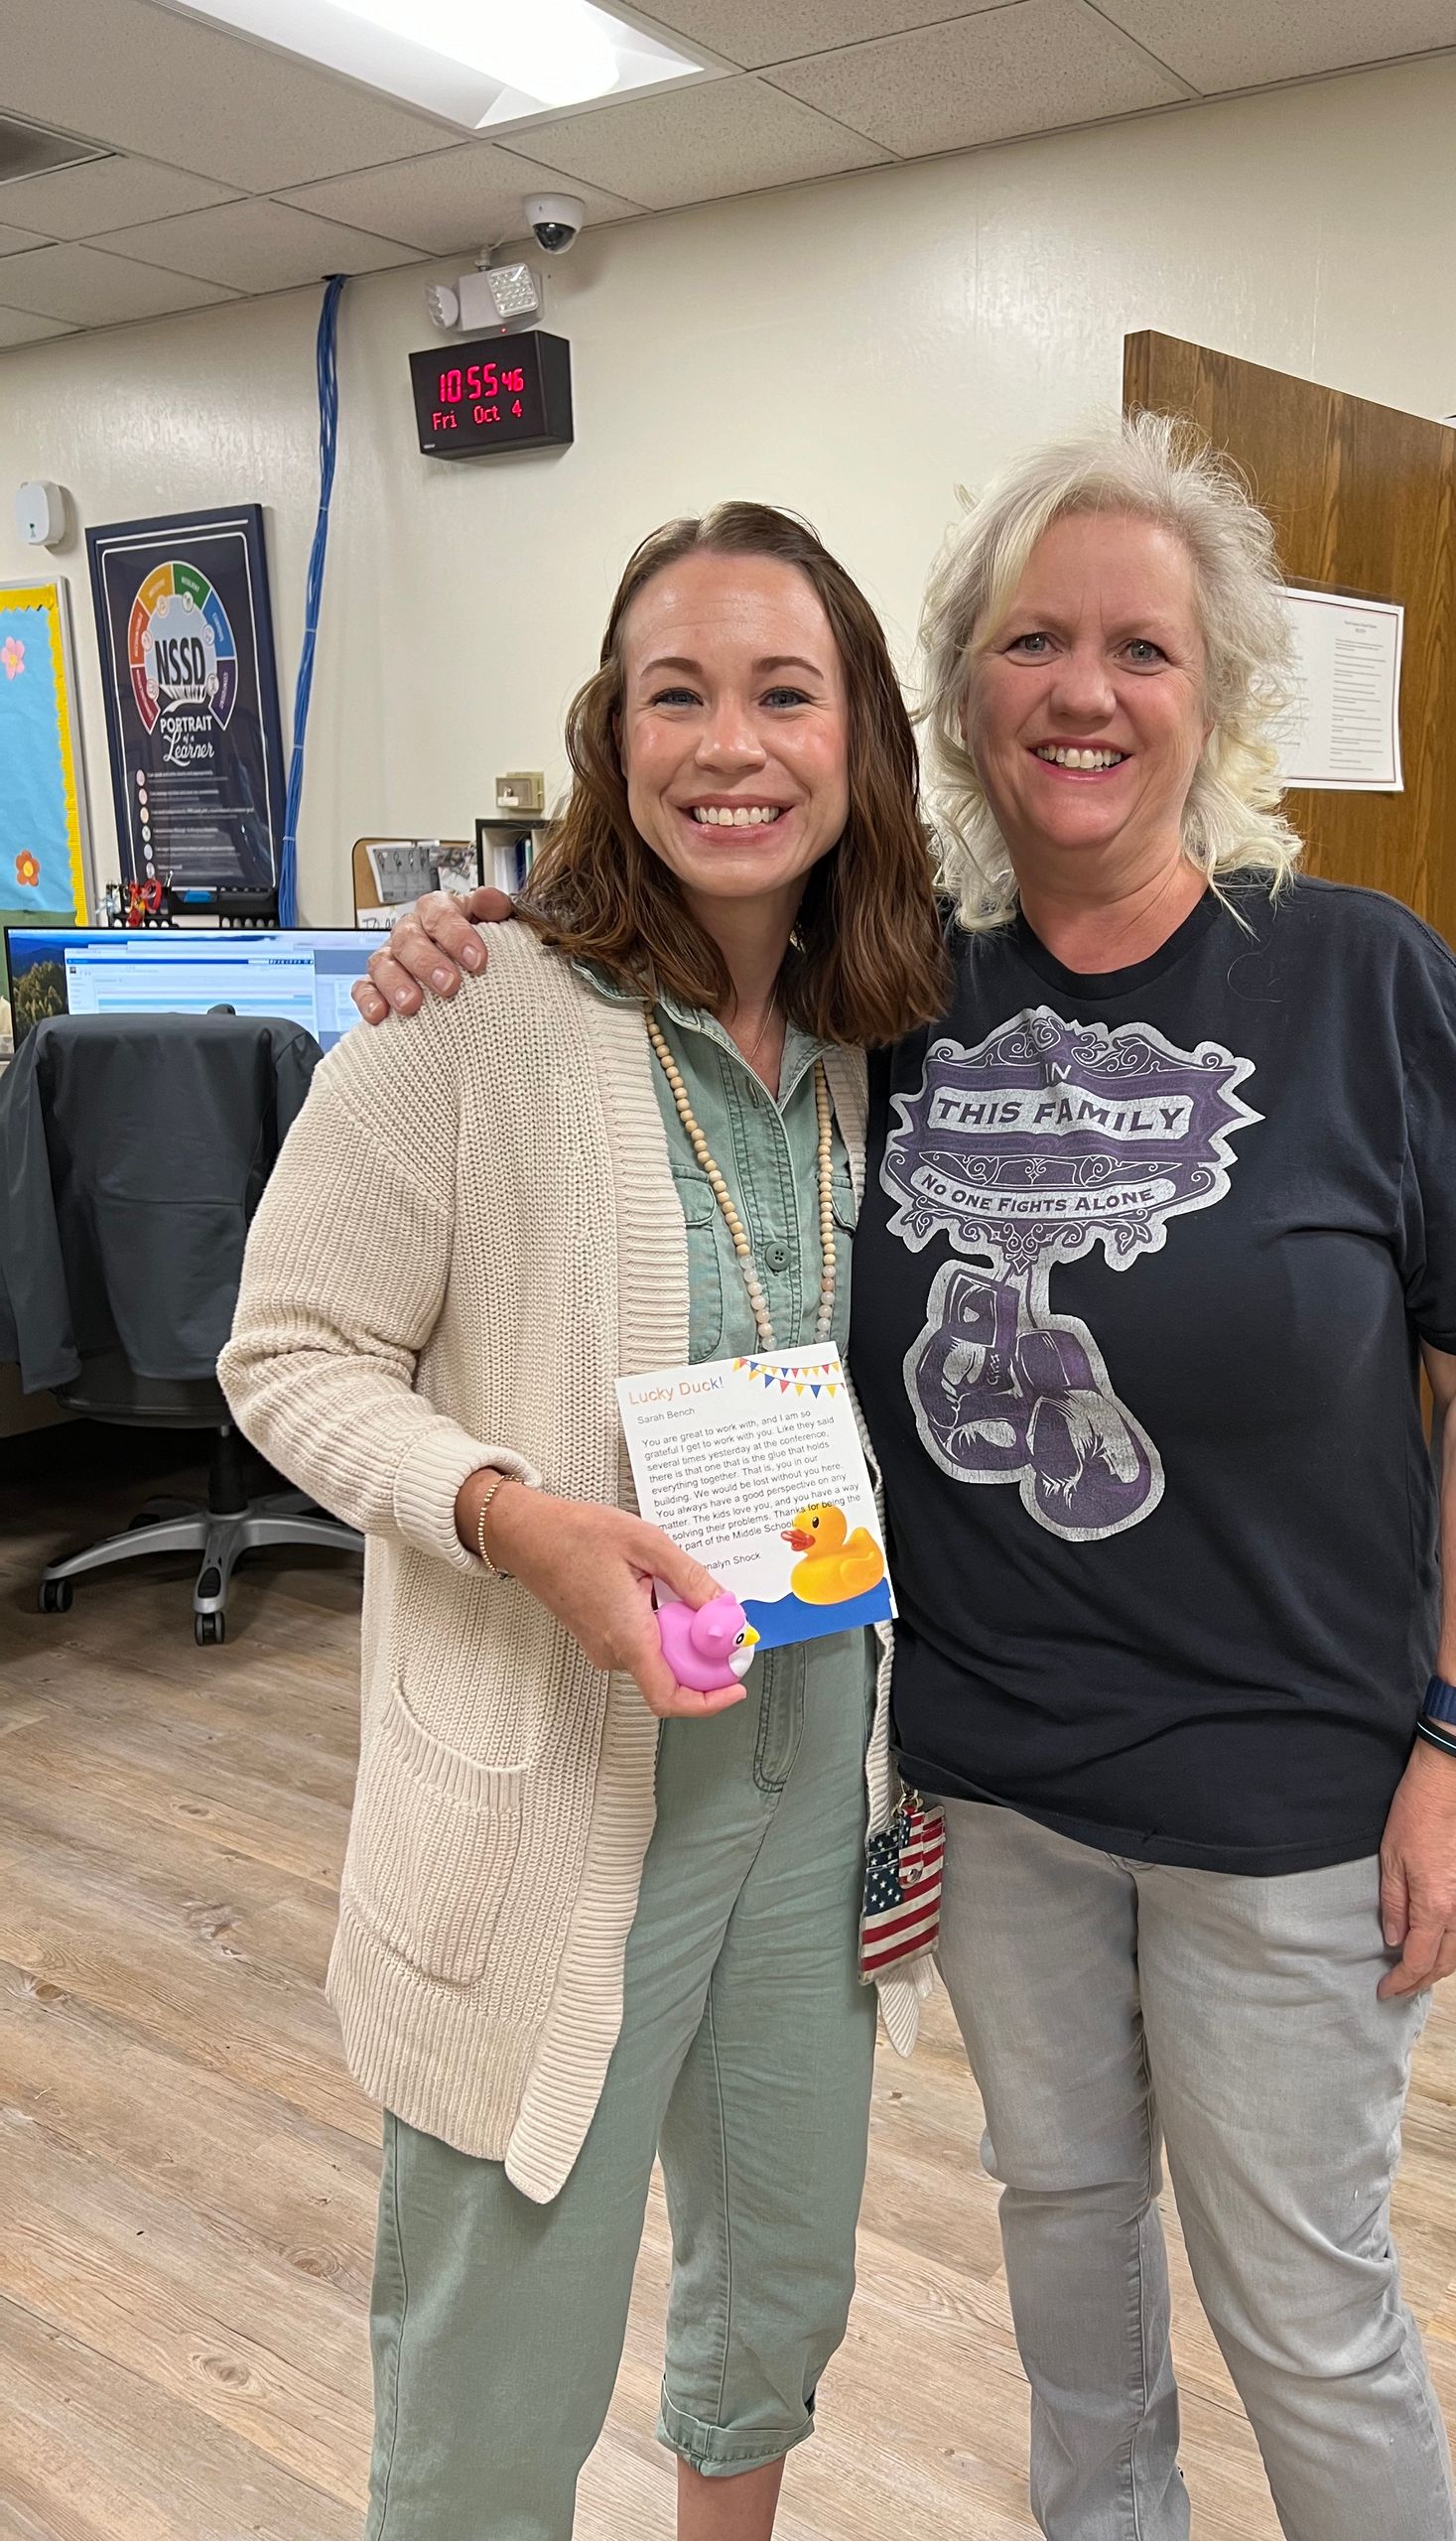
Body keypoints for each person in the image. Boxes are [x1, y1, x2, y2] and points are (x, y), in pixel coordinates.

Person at [362, 413, 1456, 2541]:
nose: (1084, 690)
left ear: (1217, 699)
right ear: (968, 692)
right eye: (1033, 641)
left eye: (1143, 649)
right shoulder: (897, 998)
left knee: (1306, 2308)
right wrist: (471, 931)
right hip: (993, 1787)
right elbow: (675, 971)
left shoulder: (1371, 988)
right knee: (1070, 2265)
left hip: (1291, 1803)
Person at [220, 502, 946, 2541]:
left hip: (813, 1782)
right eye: (676, 694)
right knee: (494, 2366)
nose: (732, 742)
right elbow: (285, 1351)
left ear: (860, 736)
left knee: (780, 2275)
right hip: (558, 1787)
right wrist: (505, 1511)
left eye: (784, 692)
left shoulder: (880, 1040)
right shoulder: (472, 1016)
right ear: (611, 738)